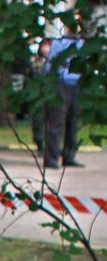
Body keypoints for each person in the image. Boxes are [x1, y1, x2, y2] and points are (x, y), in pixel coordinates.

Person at [43, 29, 84, 169]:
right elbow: (50, 65)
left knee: (73, 122)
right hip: (60, 83)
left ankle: (69, 156)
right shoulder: (59, 43)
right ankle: (51, 158)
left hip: (76, 84)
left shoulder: (82, 43)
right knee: (57, 122)